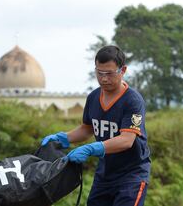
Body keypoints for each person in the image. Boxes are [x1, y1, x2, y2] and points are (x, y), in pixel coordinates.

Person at [42, 45, 150, 206]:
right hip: (105, 174)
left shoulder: (132, 101)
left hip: (131, 175)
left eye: (109, 73)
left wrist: (91, 148)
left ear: (123, 70)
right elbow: (87, 129)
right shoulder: (93, 98)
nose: (104, 79)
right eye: (99, 73)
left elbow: (127, 140)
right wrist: (63, 138)